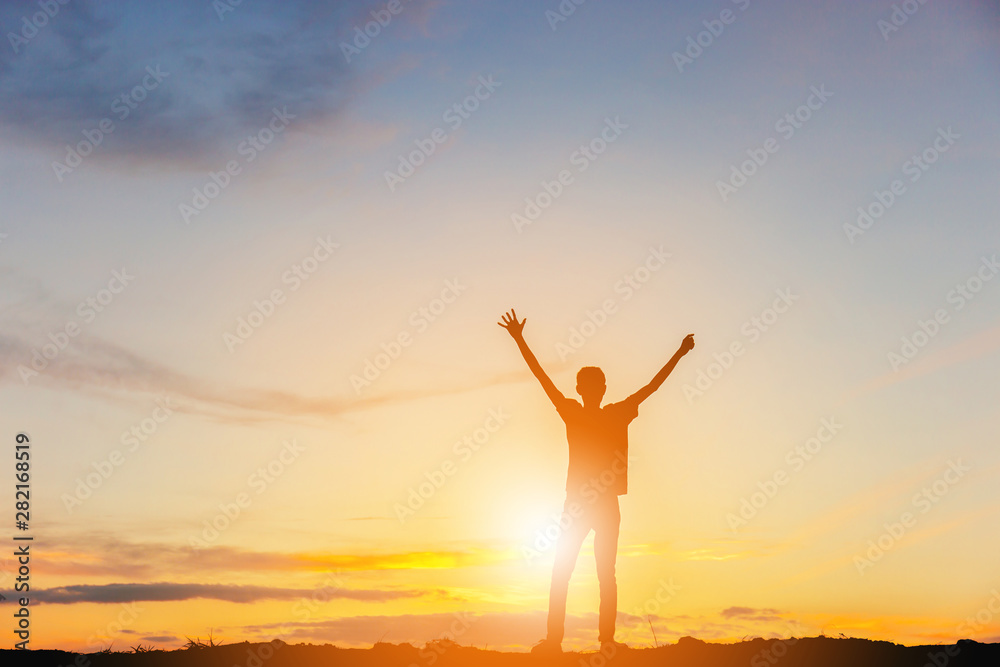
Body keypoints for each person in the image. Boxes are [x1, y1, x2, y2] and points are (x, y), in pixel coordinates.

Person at [498, 308, 694, 654]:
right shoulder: (602, 412)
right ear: (594, 389)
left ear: (594, 389)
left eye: (594, 386)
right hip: (583, 503)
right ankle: (581, 642)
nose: (592, 390)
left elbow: (545, 379)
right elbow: (649, 387)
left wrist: (679, 353)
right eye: (591, 386)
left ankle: (592, 641)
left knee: (581, 572)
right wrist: (519, 340)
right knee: (586, 572)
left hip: (591, 503)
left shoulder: (591, 412)